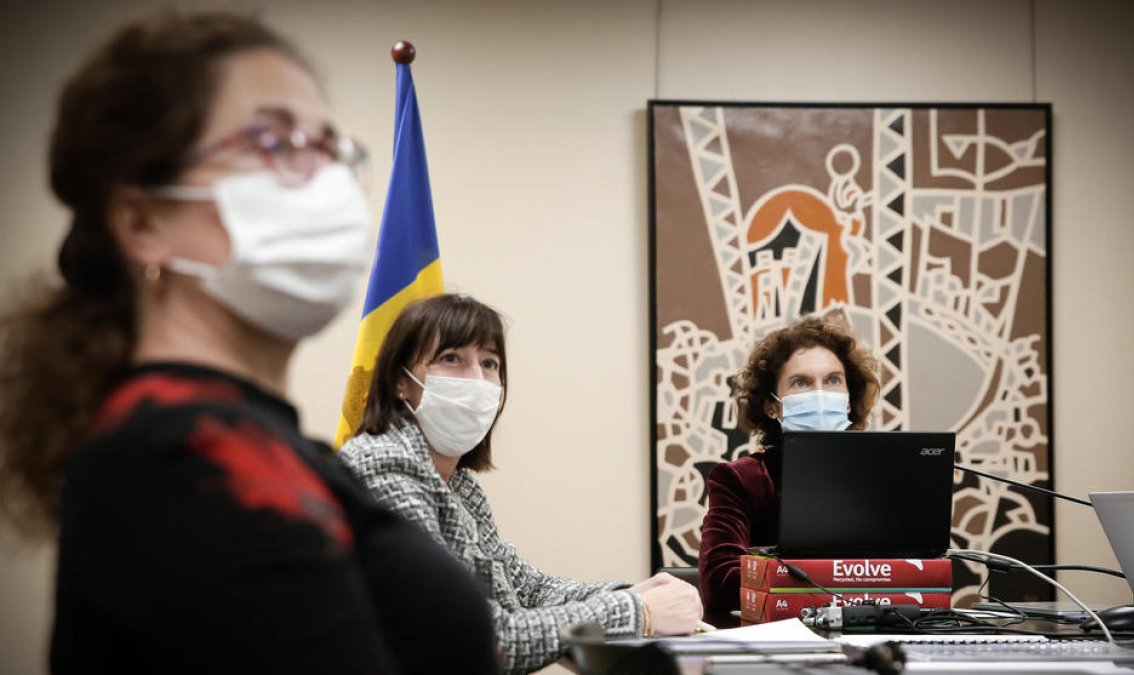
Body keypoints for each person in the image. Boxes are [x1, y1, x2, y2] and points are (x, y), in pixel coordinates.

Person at [0, 11, 499, 674]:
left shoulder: (278, 447)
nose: (324, 181)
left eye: (331, 148)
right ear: (143, 222)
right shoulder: (177, 460)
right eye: (274, 142)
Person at [339, 293, 703, 675]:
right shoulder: (382, 467)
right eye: (452, 359)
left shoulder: (458, 485)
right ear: (401, 381)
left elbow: (528, 590)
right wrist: (636, 612)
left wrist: (631, 593)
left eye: (489, 363)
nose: (477, 381)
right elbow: (480, 639)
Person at [697, 312, 880, 614]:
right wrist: (839, 583)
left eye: (833, 380)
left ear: (848, 400)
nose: (820, 394)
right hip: (778, 638)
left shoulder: (881, 475)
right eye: (801, 383)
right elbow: (720, 585)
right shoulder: (743, 479)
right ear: (771, 406)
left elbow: (918, 575)